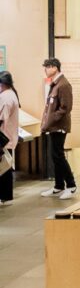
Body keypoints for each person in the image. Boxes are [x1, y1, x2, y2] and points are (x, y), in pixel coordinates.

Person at [40, 58, 77, 200]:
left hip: (59, 126)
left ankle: (71, 186)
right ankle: (58, 186)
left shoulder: (63, 84)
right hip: (53, 126)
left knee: (59, 156)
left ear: (55, 67)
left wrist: (52, 119)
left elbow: (66, 108)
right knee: (55, 156)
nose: (45, 70)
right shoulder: (55, 84)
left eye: (47, 67)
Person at [0, 72, 20, 206]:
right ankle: (5, 195)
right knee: (5, 166)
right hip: (9, 136)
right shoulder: (12, 94)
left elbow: (2, 118)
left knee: (3, 166)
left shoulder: (5, 97)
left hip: (3, 136)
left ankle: (4, 195)